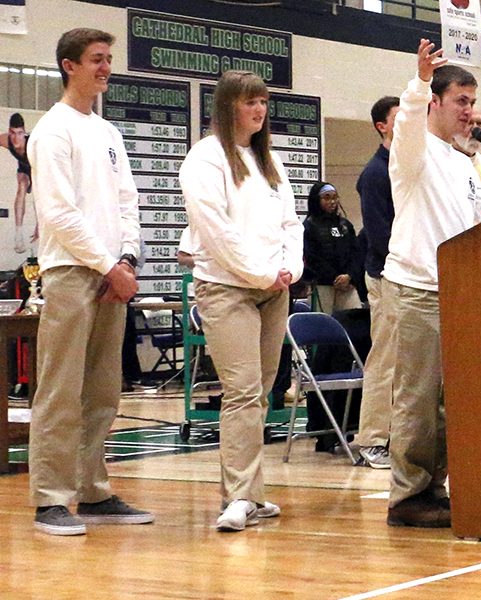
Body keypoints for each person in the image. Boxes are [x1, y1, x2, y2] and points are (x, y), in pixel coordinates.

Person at [27, 28, 152, 536]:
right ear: (68, 65)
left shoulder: (108, 133)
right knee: (59, 391)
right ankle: (50, 500)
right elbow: (59, 214)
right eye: (96, 60)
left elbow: (128, 202)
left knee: (102, 392)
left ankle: (94, 490)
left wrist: (126, 260)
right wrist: (108, 266)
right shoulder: (53, 131)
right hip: (71, 276)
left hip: (111, 276)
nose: (105, 68)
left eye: (108, 60)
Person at [383, 39, 481, 528]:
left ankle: (435, 486)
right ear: (436, 102)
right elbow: (409, 120)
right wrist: (417, 81)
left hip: (458, 293)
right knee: (416, 398)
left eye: (473, 102)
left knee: (446, 403)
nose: (469, 111)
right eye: (461, 101)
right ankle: (407, 496)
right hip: (417, 289)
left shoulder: (464, 160)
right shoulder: (414, 151)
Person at [180, 70, 303, 532]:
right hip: (227, 287)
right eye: (250, 101)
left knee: (261, 392)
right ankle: (236, 496)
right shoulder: (205, 159)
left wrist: (290, 269)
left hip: (274, 289)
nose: (259, 109)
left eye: (264, 102)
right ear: (228, 104)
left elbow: (291, 223)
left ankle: (252, 494)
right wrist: (263, 272)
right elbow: (217, 232)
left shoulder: (269, 161)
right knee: (241, 390)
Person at [355, 95, 400, 470]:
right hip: (385, 275)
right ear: (381, 126)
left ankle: (402, 435)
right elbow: (379, 233)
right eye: (398, 119)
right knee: (384, 359)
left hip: (410, 275)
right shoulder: (374, 173)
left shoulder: (408, 164)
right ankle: (371, 438)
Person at [302, 182, 362, 314]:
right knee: (322, 325)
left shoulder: (346, 225)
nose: (332, 201)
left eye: (335, 197)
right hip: (322, 284)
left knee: (354, 321)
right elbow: (311, 257)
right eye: (327, 197)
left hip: (348, 284)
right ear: (317, 200)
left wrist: (350, 276)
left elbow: (356, 254)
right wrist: (334, 278)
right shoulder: (309, 226)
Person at [0, 113, 34, 253]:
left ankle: (41, 226)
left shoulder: (33, 145)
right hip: (24, 168)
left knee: (39, 193)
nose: (16, 138)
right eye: (13, 133)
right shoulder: (6, 140)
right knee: (21, 186)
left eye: (20, 133)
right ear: (9, 132)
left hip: (37, 167)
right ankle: (18, 234)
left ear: (24, 133)